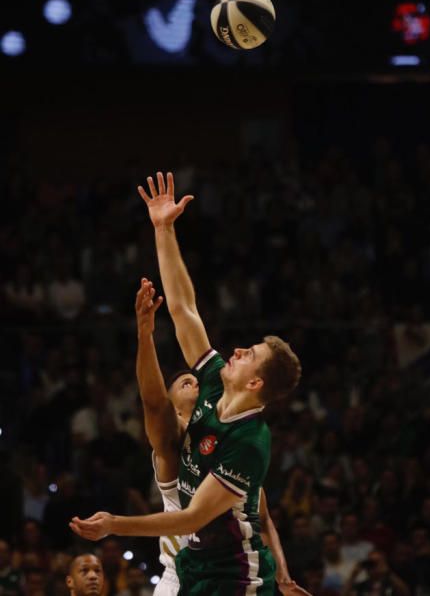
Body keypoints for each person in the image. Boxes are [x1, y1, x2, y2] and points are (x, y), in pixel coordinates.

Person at [70, 172, 302, 596]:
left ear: (254, 382)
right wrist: (163, 229)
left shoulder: (250, 442)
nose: (235, 352)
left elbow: (192, 518)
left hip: (236, 575)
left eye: (248, 355)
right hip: (194, 564)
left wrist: (115, 525)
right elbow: (182, 308)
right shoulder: (213, 380)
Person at [134, 277, 310, 595]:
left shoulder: (235, 442)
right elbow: (153, 401)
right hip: (180, 575)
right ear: (174, 408)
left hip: (226, 575)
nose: (197, 383)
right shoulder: (172, 444)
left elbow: (263, 517)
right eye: (186, 384)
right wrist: (145, 335)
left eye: (195, 379)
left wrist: (283, 576)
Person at [342, 550, 410, 596]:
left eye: (376, 562)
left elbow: (406, 593)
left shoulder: (391, 583)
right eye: (370, 563)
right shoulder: (362, 586)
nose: (372, 566)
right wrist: (353, 575)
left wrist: (388, 572)